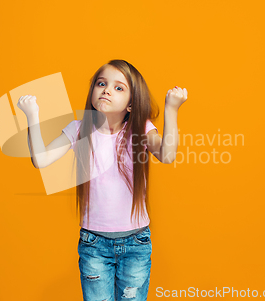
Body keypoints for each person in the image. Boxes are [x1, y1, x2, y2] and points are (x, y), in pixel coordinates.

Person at [16, 59, 188, 300]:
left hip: (136, 243)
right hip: (93, 244)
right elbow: (40, 160)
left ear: (131, 104)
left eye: (119, 88)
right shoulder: (78, 129)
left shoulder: (140, 130)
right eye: (101, 83)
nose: (106, 89)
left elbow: (167, 155)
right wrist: (32, 117)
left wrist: (171, 109)